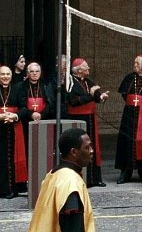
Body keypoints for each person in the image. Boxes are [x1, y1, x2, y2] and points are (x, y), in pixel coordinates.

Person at [28, 128, 96, 232]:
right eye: (87, 147)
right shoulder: (71, 182)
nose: (91, 151)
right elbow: (73, 225)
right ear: (74, 152)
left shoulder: (53, 174)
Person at [65, 58, 108, 187]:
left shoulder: (87, 81)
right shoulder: (70, 82)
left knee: (92, 147)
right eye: (86, 66)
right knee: (80, 148)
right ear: (79, 70)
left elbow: (95, 95)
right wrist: (91, 95)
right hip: (78, 119)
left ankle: (95, 179)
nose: (88, 68)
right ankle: (83, 179)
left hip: (90, 119)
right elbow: (73, 101)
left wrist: (101, 97)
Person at [115, 54, 142, 184]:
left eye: (137, 63)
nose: (135, 66)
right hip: (130, 116)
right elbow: (124, 95)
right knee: (127, 142)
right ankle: (125, 172)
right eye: (135, 63)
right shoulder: (129, 78)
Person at [0, 65, 27, 199]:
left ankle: (12, 189)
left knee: (12, 157)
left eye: (8, 74)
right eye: (2, 74)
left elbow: (24, 108)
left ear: (11, 76)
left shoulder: (17, 89)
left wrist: (15, 116)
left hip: (14, 128)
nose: (5, 77)